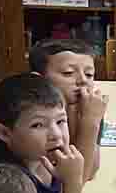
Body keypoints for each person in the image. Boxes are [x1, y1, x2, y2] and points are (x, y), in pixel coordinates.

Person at [29, 39, 107, 183]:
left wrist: (90, 119)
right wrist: (89, 123)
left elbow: (91, 170)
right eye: (68, 73)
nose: (83, 81)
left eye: (89, 74)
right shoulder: (35, 118)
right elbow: (77, 178)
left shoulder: (86, 107)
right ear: (38, 79)